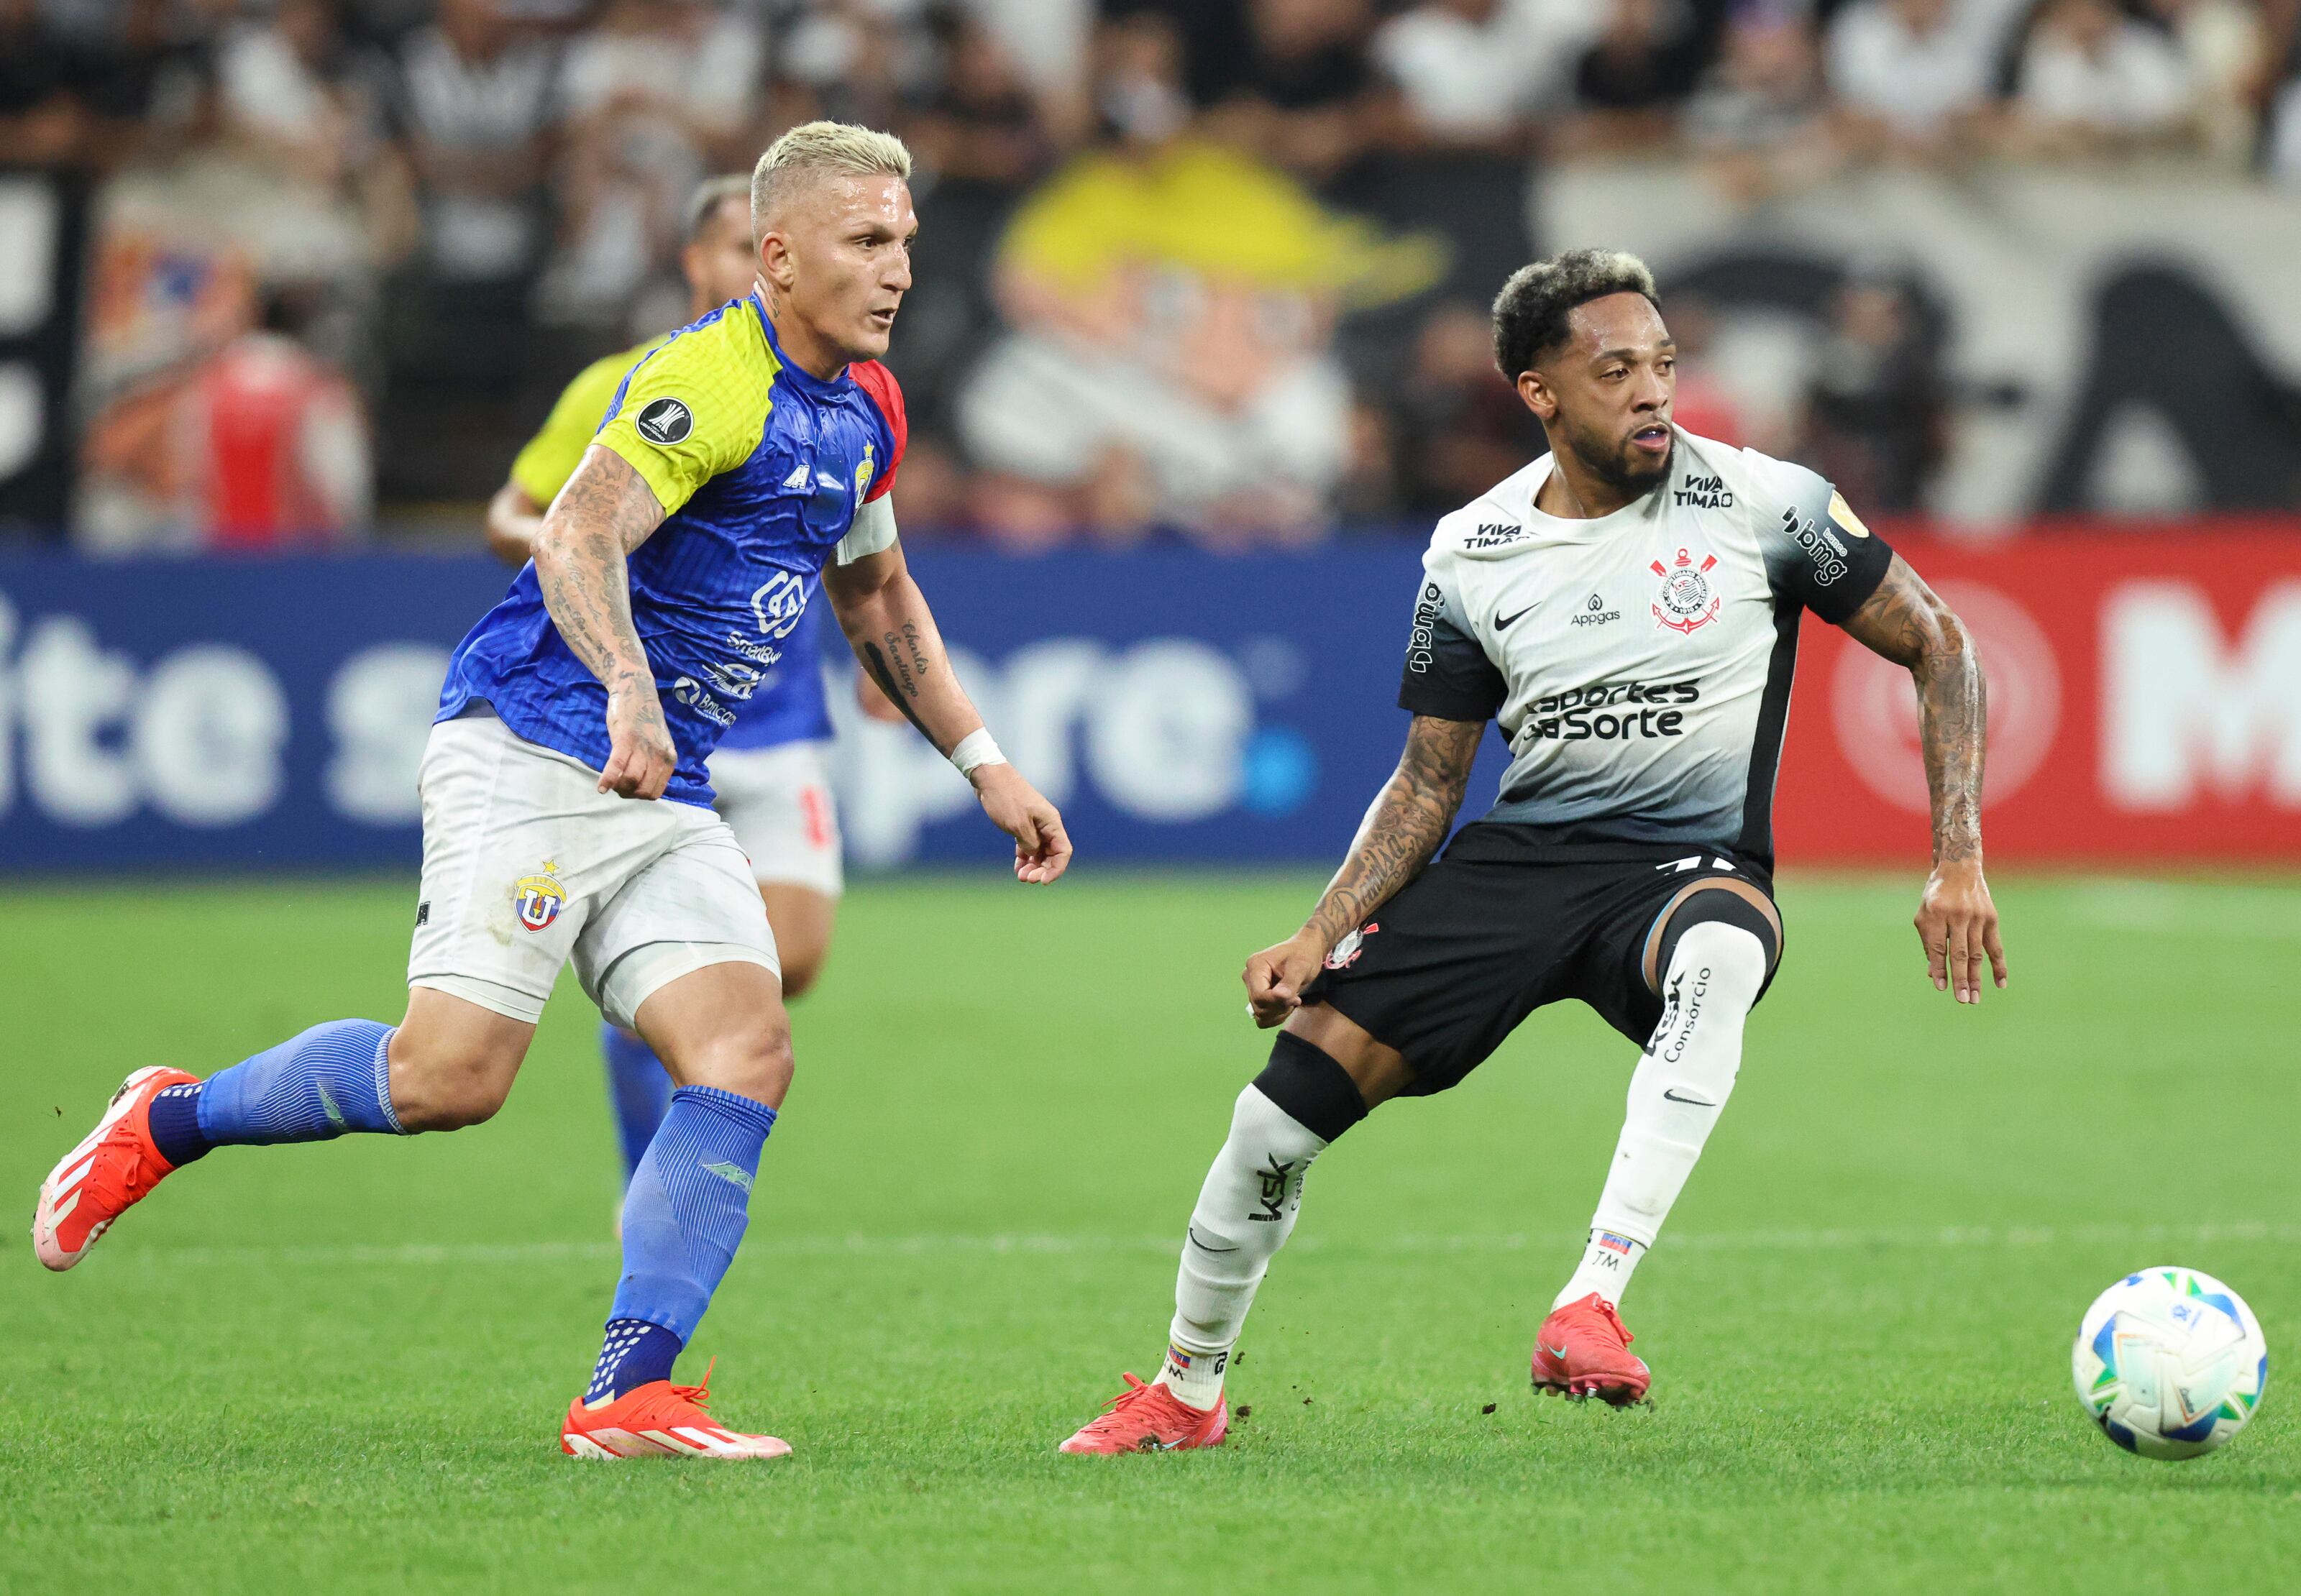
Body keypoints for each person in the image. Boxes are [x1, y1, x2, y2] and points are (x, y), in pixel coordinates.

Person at [35, 121, 1074, 1463]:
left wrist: (984, 763)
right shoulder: (707, 379)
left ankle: (626, 1395)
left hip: (664, 784)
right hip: (537, 745)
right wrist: (632, 689)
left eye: (907, 244)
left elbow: (874, 592)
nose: (898, 272)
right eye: (868, 242)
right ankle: (168, 1119)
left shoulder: (866, 405)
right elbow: (578, 532)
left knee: (747, 1050)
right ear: (777, 253)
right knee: (448, 1079)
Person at [1057, 248, 2005, 1454]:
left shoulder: (1770, 503)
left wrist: (1957, 854)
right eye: (1615, 371)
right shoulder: (1473, 548)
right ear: (1539, 392)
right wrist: (1319, 932)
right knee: (1273, 1122)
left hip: (1682, 864)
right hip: (1519, 867)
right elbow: (1429, 782)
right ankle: (1186, 1392)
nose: (1653, 392)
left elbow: (1941, 643)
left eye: (1663, 364)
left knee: (1721, 949)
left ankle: (1590, 1299)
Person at [486, 173, 853, 1203]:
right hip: (642, 710)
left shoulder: (830, 389)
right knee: (696, 997)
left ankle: (657, 1044)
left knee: (797, 958)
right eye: (739, 249)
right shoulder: (631, 379)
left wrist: (882, 668)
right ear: (701, 263)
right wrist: (591, 541)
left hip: (776, 718)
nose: (758, 268)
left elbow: (852, 552)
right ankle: (650, 1179)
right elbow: (518, 513)